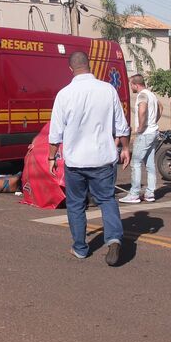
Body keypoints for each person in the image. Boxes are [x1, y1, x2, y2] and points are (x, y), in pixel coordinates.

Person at [48, 51, 131, 265]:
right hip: (103, 159)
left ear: (70, 69)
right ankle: (113, 238)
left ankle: (81, 248)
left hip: (75, 162)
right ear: (89, 65)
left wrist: (51, 157)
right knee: (107, 199)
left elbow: (55, 132)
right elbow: (121, 126)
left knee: (76, 204)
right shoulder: (108, 90)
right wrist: (125, 148)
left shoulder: (64, 94)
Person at [120, 74, 161, 204]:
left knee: (135, 163)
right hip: (154, 132)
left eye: (131, 84)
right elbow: (161, 107)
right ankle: (150, 193)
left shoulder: (142, 95)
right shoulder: (152, 95)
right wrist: (153, 121)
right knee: (150, 165)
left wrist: (141, 127)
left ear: (136, 85)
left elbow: (142, 110)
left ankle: (134, 194)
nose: (130, 87)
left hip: (145, 134)